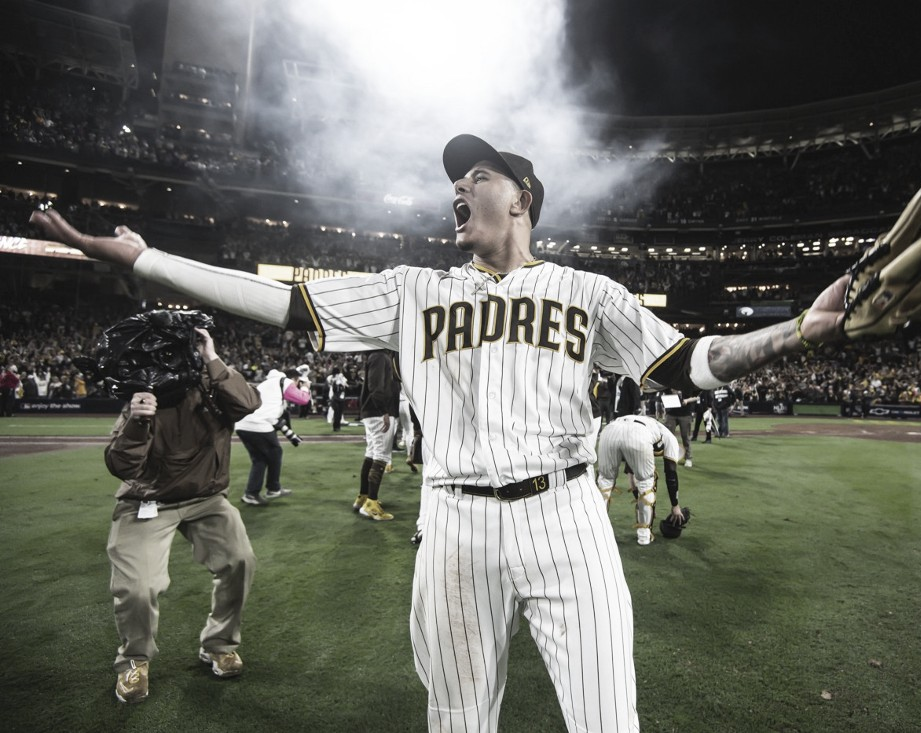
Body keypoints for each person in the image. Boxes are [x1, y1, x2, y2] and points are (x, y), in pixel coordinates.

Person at [30, 133, 849, 732]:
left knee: (608, 717)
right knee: (457, 719)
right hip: (454, 522)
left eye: (478, 175)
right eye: (455, 179)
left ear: (521, 198)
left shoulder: (588, 291)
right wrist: (145, 260)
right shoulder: (412, 290)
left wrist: (797, 333)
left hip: (567, 516)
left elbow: (692, 362)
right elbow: (277, 301)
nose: (459, 186)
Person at [84, 311, 261, 704]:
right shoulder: (142, 398)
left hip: (206, 496)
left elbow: (248, 402)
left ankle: (219, 645)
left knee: (240, 561)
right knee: (137, 586)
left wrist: (212, 355)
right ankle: (134, 659)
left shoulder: (211, 385)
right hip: (148, 500)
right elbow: (122, 466)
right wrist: (137, 422)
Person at [596, 414, 688, 545]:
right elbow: (671, 474)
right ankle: (644, 536)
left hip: (609, 430)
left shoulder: (653, 426)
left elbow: (632, 478)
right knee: (646, 483)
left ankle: (595, 531)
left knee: (604, 482)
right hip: (638, 434)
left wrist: (644, 504)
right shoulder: (671, 440)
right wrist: (675, 505)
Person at [234, 368, 306, 506]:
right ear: (294, 379)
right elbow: (304, 399)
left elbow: (274, 419)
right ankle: (260, 491)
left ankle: (267, 489)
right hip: (257, 424)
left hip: (243, 424)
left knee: (262, 458)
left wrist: (291, 435)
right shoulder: (285, 382)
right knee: (272, 453)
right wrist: (305, 387)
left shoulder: (267, 385)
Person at [352, 348, 400, 520]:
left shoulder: (376, 355)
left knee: (372, 453)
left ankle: (364, 496)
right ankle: (371, 504)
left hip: (373, 412)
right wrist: (383, 410)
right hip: (379, 412)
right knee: (381, 455)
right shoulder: (380, 356)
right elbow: (376, 386)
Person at [660, 387, 697, 467]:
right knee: (668, 437)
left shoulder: (687, 384)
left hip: (685, 413)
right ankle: (669, 457)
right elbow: (663, 394)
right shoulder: (669, 383)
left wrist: (687, 400)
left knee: (685, 436)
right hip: (671, 413)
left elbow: (696, 396)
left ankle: (688, 458)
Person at [326, 366, 348, 432]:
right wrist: (337, 379)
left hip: (341, 396)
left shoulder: (342, 378)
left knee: (339, 411)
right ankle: (332, 422)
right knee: (335, 410)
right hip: (334, 395)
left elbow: (345, 384)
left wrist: (341, 379)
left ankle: (339, 423)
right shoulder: (331, 378)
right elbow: (331, 383)